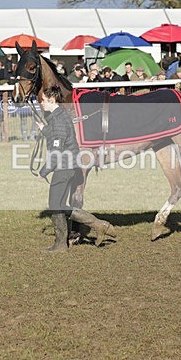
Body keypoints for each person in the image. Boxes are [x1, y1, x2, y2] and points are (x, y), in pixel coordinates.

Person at [36, 85, 116, 251]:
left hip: (63, 167)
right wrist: (44, 129)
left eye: (43, 100)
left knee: (56, 205)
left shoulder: (58, 120)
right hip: (69, 166)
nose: (41, 103)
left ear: (52, 100)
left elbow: (56, 151)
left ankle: (69, 240)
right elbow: (58, 136)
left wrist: (44, 171)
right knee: (59, 204)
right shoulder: (60, 115)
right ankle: (97, 226)